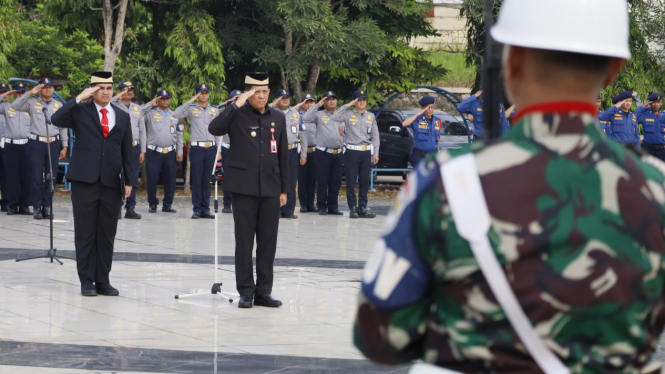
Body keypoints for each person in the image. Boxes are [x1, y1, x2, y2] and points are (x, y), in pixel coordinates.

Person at [354, 0, 665, 372]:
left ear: (511, 62)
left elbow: (380, 337)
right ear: (615, 70)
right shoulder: (655, 189)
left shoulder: (448, 181)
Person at [51, 72, 136, 297]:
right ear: (92, 90)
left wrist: (129, 180)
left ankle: (103, 280)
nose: (106, 92)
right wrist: (79, 98)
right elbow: (56, 119)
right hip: (84, 181)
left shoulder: (122, 115)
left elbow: (128, 150)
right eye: (100, 88)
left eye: (109, 87)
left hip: (111, 181)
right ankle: (86, 280)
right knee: (85, 232)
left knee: (107, 233)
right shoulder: (80, 111)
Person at [209, 72, 288, 309]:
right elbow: (214, 128)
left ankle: (264, 292)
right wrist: (236, 105)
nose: (262, 96)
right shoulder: (237, 115)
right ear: (248, 93)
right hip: (244, 188)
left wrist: (285, 189)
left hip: (271, 188)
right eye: (257, 92)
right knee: (244, 242)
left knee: (268, 242)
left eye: (265, 92)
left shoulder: (278, 117)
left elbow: (283, 155)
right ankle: (246, 291)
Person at [11, 78, 68, 220]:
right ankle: (37, 208)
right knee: (36, 177)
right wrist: (30, 92)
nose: (48, 89)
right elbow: (15, 105)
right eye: (44, 87)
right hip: (36, 143)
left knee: (51, 177)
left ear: (53, 89)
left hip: (53, 144)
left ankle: (47, 207)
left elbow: (63, 126)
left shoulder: (58, 105)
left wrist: (64, 144)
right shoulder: (31, 103)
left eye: (50, 87)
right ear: (40, 89)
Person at [173, 84, 220, 219]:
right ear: (197, 94)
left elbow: (217, 131)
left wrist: (218, 149)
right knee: (197, 179)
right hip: (197, 148)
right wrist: (191, 101)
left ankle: (206, 208)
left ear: (209, 94)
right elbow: (176, 114)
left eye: (206, 93)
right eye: (201, 93)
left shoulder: (214, 110)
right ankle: (197, 208)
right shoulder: (191, 109)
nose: (203, 95)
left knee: (207, 180)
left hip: (210, 148)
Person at [332, 90, 378, 219]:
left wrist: (376, 152)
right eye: (359, 100)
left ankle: (362, 207)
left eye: (364, 100)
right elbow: (334, 117)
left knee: (364, 181)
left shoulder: (371, 116)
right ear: (355, 101)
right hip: (352, 151)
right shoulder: (347, 115)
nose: (362, 102)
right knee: (351, 181)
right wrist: (347, 105)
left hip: (366, 151)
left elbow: (375, 136)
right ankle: (352, 207)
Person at [140, 89, 183, 213]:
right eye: (161, 98)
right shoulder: (150, 113)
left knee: (170, 180)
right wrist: (150, 103)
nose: (164, 101)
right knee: (152, 179)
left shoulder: (175, 115)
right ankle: (152, 204)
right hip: (154, 152)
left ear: (170, 100)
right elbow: (138, 112)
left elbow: (179, 134)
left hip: (170, 152)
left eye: (166, 98)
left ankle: (167, 204)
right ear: (158, 100)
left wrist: (179, 151)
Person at [302, 91, 344, 215]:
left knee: (335, 181)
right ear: (324, 102)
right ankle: (322, 206)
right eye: (328, 99)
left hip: (338, 152)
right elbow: (305, 117)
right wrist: (317, 105)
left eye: (333, 99)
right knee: (322, 180)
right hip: (323, 153)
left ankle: (333, 206)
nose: (331, 101)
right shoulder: (319, 115)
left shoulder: (342, 115)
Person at [110, 80, 145, 219]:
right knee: (116, 177)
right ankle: (116, 207)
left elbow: (142, 130)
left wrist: (143, 150)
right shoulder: (113, 105)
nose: (129, 92)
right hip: (118, 146)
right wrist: (116, 97)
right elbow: (106, 104)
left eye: (131, 89)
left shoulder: (137, 108)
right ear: (119, 92)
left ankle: (130, 207)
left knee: (133, 177)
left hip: (134, 147)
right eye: (125, 89)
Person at [269, 89, 307, 219]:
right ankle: (277, 209)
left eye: (287, 97)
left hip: (292, 150)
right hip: (276, 151)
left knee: (291, 180)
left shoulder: (296, 113)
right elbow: (260, 111)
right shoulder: (271, 112)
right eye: (282, 97)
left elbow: (302, 134)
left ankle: (289, 210)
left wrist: (303, 154)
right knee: (276, 179)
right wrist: (273, 103)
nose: (285, 99)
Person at [0, 83, 32, 215]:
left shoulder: (31, 106)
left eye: (22, 92)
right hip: (11, 144)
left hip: (27, 144)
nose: (20, 95)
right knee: (11, 176)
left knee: (27, 177)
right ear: (14, 93)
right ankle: (12, 205)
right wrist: (4, 96)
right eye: (17, 93)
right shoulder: (6, 106)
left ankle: (24, 205)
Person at [217, 89, 242, 213]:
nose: (238, 100)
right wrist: (229, 102)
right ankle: (227, 202)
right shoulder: (226, 111)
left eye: (239, 98)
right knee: (227, 175)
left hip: (242, 148)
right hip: (227, 147)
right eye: (235, 98)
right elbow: (215, 109)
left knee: (242, 176)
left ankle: (240, 202)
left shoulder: (246, 111)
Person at [400, 96, 441, 167]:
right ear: (422, 108)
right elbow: (404, 124)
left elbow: (437, 140)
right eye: (428, 108)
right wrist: (418, 114)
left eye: (432, 107)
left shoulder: (437, 121)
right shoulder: (417, 119)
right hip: (420, 156)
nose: (430, 110)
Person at [296, 93, 317, 213]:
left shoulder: (317, 117)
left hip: (314, 150)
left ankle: (311, 203)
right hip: (301, 150)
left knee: (312, 179)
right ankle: (303, 203)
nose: (309, 104)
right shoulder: (299, 115)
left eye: (311, 102)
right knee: (302, 178)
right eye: (307, 102)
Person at [636, 93, 665, 160]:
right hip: (648, 150)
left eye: (658, 102)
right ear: (650, 103)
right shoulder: (645, 115)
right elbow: (634, 118)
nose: (656, 104)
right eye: (654, 102)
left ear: (661, 103)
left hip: (662, 150)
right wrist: (642, 107)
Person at [0, 83, 9, 212]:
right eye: (1, 92)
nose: (4, 94)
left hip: (6, 142)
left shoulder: (12, 106)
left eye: (5, 92)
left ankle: (6, 201)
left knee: (6, 175)